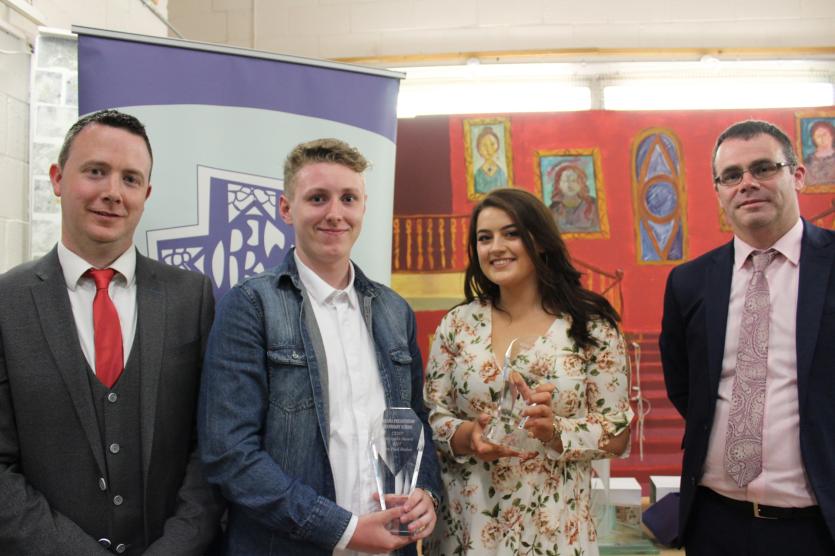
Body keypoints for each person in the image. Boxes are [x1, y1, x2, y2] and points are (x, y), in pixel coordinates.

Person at [198, 138, 442, 555]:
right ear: (286, 208)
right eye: (318, 198)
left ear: (364, 207)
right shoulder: (251, 305)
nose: (335, 213)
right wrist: (344, 530)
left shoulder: (393, 310)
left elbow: (415, 422)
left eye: (348, 198)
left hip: (389, 546)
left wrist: (427, 493)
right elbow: (230, 453)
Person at [0, 110, 223, 555]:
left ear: (146, 193)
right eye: (96, 172)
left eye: (130, 179)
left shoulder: (191, 297)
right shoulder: (7, 302)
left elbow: (212, 448)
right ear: (58, 179)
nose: (112, 193)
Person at [423, 188, 633, 555]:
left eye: (511, 233)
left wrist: (556, 432)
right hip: (468, 530)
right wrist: (468, 434)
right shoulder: (457, 325)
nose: (496, 247)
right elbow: (431, 417)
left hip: (554, 531)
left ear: (540, 240)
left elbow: (617, 435)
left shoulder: (591, 327)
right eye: (484, 238)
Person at [660, 120, 835, 555]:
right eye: (732, 175)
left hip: (818, 526)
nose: (747, 184)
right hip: (715, 522)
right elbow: (686, 389)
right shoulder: (689, 283)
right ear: (718, 190)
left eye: (763, 168)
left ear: (797, 176)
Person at [548, 162, 600, 232]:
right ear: (558, 184)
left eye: (573, 181)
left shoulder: (594, 205)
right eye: (565, 181)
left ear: (582, 183)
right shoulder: (553, 209)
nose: (569, 185)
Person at [473, 127, 508, 194]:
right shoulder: (477, 175)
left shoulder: (501, 174)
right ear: (479, 150)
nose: (489, 149)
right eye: (484, 145)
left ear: (498, 146)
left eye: (492, 144)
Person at [804, 120, 835, 185]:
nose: (822, 138)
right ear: (814, 139)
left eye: (824, 134)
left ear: (832, 135)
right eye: (818, 136)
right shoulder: (808, 161)